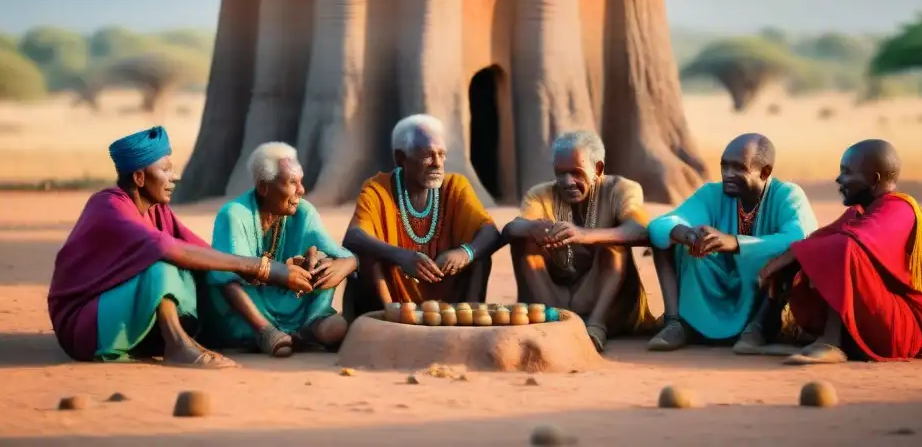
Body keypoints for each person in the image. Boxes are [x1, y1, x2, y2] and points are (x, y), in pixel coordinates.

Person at [47, 126, 313, 368]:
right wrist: (264, 268)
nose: (174, 177)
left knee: (210, 271)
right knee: (162, 266)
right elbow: (166, 248)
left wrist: (276, 269)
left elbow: (204, 253)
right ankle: (177, 345)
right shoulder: (108, 206)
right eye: (165, 170)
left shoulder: (157, 211)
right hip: (83, 324)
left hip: (123, 317)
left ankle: (258, 331)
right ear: (139, 178)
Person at [759, 139, 922, 365]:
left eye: (847, 172)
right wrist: (787, 260)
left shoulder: (900, 209)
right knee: (806, 253)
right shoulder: (859, 212)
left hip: (911, 328)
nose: (839, 179)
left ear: (874, 179)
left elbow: (849, 245)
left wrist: (795, 256)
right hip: (886, 315)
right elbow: (815, 240)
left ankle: (832, 343)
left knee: (842, 250)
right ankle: (761, 333)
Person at [646, 133, 817, 352]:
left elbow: (800, 237)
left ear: (765, 172)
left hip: (760, 288)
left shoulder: (788, 195)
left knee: (790, 256)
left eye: (738, 168)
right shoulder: (712, 193)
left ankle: (758, 328)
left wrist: (735, 243)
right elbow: (661, 224)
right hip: (718, 280)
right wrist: (687, 234)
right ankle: (677, 324)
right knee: (671, 240)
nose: (728, 174)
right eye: (724, 166)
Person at [503, 130, 655, 353]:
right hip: (556, 298)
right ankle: (555, 322)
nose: (568, 182)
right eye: (560, 173)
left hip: (608, 304)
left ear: (598, 169)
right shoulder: (540, 194)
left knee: (613, 240)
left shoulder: (622, 189)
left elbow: (638, 231)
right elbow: (510, 229)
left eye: (576, 173)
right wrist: (533, 228)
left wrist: (584, 235)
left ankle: (595, 326)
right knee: (522, 240)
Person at [204, 142, 357, 357]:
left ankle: (314, 321)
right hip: (250, 307)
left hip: (291, 302)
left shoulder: (304, 211)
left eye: (301, 181)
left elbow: (343, 255)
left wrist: (342, 266)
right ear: (264, 187)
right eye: (292, 183)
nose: (301, 190)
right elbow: (226, 277)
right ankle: (265, 332)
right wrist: (265, 329)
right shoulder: (234, 214)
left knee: (326, 264)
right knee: (229, 281)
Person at [342, 114, 502, 317]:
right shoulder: (378, 189)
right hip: (395, 299)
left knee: (479, 255)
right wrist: (401, 256)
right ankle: (390, 322)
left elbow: (490, 232)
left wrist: (465, 253)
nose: (437, 163)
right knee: (366, 254)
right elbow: (354, 237)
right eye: (428, 155)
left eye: (442, 154)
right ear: (401, 158)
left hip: (447, 298)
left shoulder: (455, 186)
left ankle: (466, 320)